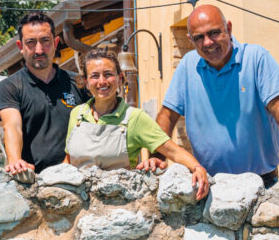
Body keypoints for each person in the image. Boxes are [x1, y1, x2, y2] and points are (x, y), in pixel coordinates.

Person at [156, 5, 279, 188]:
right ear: (190, 40)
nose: (207, 43)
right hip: (209, 185)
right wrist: (156, 157)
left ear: (228, 29)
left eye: (214, 33)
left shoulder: (255, 58)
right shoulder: (187, 65)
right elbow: (168, 115)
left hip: (262, 183)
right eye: (199, 38)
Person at [66, 48, 209, 199]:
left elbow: (172, 150)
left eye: (108, 74)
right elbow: (69, 159)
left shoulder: (135, 118)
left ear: (120, 78)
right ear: (86, 82)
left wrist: (197, 168)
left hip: (117, 207)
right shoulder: (77, 114)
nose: (102, 81)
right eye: (95, 76)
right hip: (78, 207)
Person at [0, 11, 90, 176]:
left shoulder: (79, 83)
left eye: (45, 41)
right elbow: (12, 126)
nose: (39, 49)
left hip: (76, 177)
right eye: (31, 42)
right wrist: (15, 160)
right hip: (31, 180)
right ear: (20, 47)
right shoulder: (10, 86)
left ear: (56, 43)